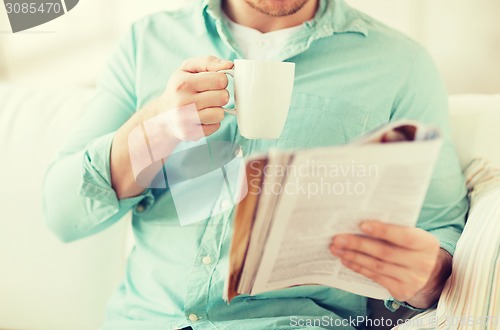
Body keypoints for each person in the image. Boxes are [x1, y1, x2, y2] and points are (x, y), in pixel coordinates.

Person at [43, 0, 468, 329]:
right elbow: (62, 213)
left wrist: (427, 278)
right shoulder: (146, 42)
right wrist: (153, 131)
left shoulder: (400, 65)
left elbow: (442, 230)